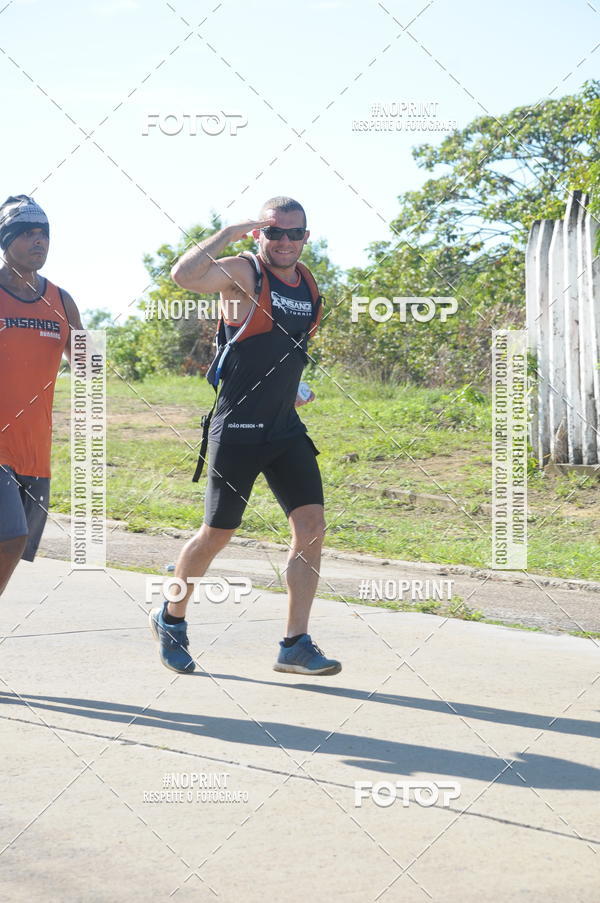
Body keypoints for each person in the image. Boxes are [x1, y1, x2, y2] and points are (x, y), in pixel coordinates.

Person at [149, 196, 341, 676]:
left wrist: (291, 386)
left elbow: (280, 348)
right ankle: (171, 618)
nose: (283, 242)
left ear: (305, 237)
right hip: (236, 427)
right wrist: (231, 230)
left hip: (284, 428)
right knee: (217, 534)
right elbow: (185, 276)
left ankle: (295, 643)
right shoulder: (243, 272)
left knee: (312, 527)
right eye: (273, 232)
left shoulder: (307, 284)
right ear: (261, 234)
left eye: (293, 233)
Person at [0, 195, 83, 597]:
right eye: (28, 233)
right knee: (11, 536)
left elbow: (88, 365)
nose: (39, 242)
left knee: (15, 547)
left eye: (44, 234)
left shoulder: (62, 301)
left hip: (34, 451)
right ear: (6, 239)